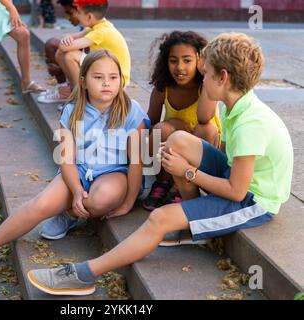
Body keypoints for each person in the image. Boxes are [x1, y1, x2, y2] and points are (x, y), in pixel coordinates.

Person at [26, 32, 294, 296]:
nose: (202, 77)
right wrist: (192, 169)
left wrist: (187, 171)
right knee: (177, 139)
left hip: (254, 200)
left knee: (160, 217)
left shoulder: (251, 124)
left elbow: (237, 192)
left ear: (222, 77)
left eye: (207, 72)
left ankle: (84, 274)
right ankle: (195, 220)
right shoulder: (232, 103)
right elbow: (224, 156)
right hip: (234, 177)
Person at [0, 50, 149, 278]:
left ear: (121, 80)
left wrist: (128, 202)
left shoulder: (132, 112)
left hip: (116, 173)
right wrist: (74, 191)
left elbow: (137, 161)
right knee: (40, 204)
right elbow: (67, 159)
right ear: (83, 81)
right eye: (98, 77)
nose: (106, 83)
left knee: (100, 199)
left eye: (113, 77)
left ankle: (70, 214)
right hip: (80, 171)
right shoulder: (72, 111)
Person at [143, 31, 221, 211]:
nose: (179, 67)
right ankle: (162, 182)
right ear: (165, 62)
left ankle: (181, 186)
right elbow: (150, 122)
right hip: (170, 150)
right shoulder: (164, 88)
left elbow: (204, 118)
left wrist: (206, 76)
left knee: (206, 129)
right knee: (159, 128)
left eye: (187, 60)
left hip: (202, 154)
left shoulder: (207, 87)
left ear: (200, 61)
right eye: (173, 61)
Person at [38, 0, 131, 103]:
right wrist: (68, 37)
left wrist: (67, 40)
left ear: (89, 17)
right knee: (61, 53)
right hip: (106, 70)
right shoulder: (97, 26)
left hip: (115, 80)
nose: (77, 15)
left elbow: (65, 47)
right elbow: (69, 38)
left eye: (79, 12)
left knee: (70, 55)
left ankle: (81, 100)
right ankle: (73, 91)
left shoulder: (101, 32)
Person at [43, 0, 81, 93]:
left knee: (60, 49)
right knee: (52, 44)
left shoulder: (94, 27)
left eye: (70, 13)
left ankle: (74, 93)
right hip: (85, 62)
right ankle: (64, 88)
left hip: (97, 70)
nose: (67, 18)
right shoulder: (84, 27)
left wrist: (60, 68)